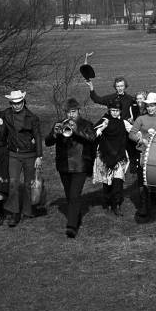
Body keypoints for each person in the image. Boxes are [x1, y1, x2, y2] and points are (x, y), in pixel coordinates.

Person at [45, 98, 97, 238]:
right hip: (63, 165)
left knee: (74, 195)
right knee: (69, 196)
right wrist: (54, 133)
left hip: (80, 165)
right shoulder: (60, 124)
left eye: (73, 112)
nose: (71, 115)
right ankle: (76, 215)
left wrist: (76, 131)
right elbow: (47, 142)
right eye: (68, 112)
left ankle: (72, 226)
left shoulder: (86, 124)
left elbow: (92, 138)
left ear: (78, 111)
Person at [1, 90, 43, 227]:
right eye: (14, 103)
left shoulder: (32, 117)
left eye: (19, 103)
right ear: (10, 103)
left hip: (30, 155)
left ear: (23, 102)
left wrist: (39, 156)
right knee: (13, 183)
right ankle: (14, 213)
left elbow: (37, 136)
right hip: (14, 154)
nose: (17, 105)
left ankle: (28, 210)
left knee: (28, 184)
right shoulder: (6, 114)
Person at [128, 92, 156, 220]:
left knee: (155, 178)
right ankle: (144, 206)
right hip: (143, 153)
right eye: (148, 106)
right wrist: (141, 140)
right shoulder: (141, 119)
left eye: (153, 106)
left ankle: (155, 201)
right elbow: (132, 134)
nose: (150, 109)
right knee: (142, 180)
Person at [94, 100, 129, 216]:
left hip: (119, 156)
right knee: (107, 183)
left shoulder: (122, 122)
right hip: (106, 155)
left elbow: (132, 132)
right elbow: (93, 133)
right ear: (109, 110)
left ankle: (117, 205)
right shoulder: (104, 120)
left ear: (120, 111)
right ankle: (108, 202)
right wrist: (102, 128)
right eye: (113, 110)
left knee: (118, 182)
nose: (114, 113)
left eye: (117, 111)